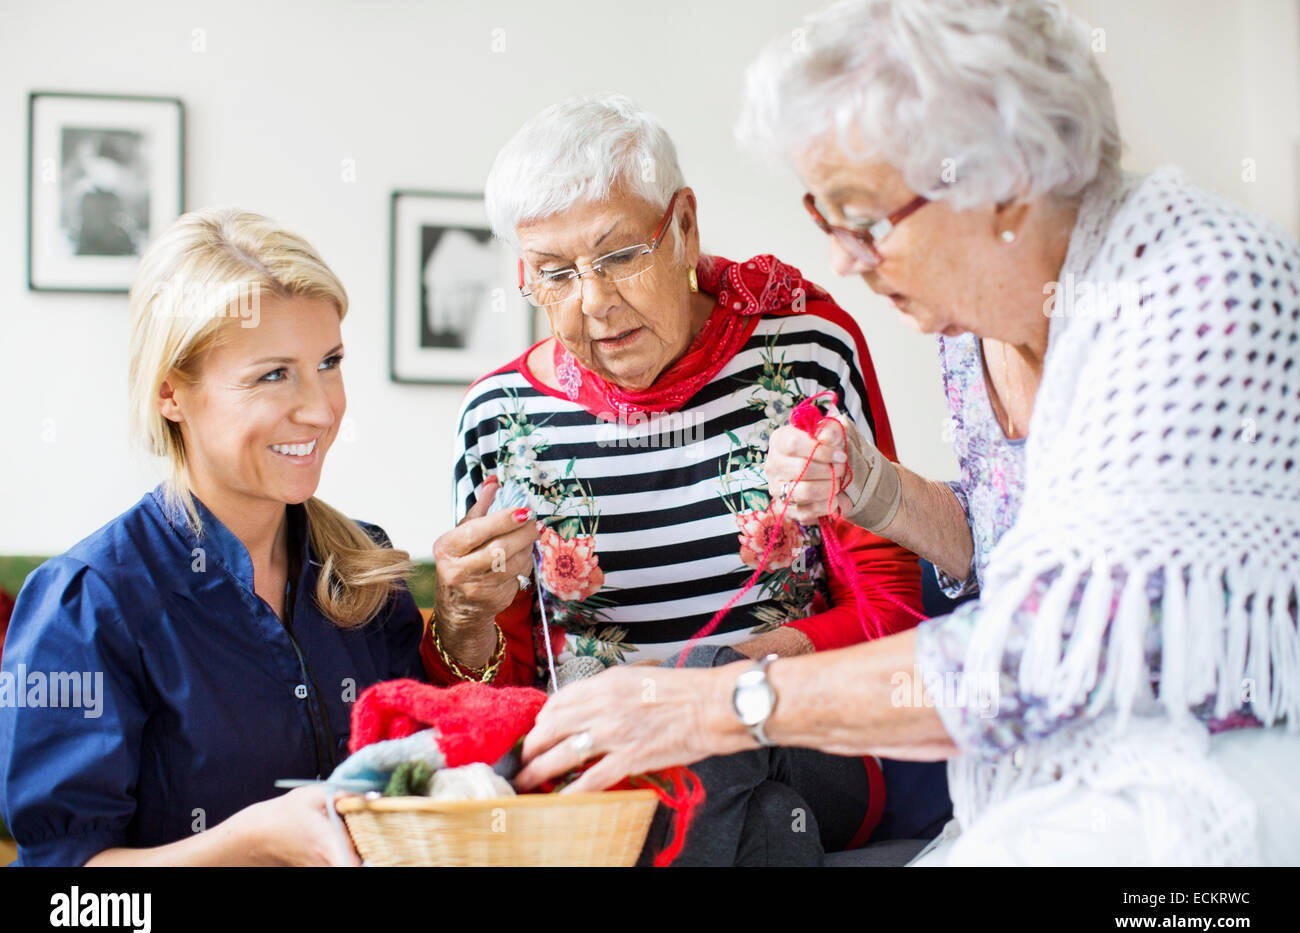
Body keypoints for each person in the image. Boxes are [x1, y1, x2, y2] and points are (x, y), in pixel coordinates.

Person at [516, 0, 1300, 865]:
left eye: (866, 217)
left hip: (1211, 802)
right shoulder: (977, 322)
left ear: (1006, 179)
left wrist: (718, 702)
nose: (845, 259)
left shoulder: (1203, 295)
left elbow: (1052, 655)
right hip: (1047, 790)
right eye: (826, 219)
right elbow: (1009, 543)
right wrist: (877, 489)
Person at [431, 93, 949, 863]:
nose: (595, 302)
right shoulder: (497, 417)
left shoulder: (805, 353)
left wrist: (716, 686)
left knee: (708, 690)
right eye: (555, 273)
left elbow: (893, 610)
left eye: (618, 256)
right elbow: (493, 686)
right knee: (768, 827)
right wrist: (464, 615)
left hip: (806, 735)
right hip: (609, 780)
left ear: (684, 227)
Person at [0, 209, 425, 866]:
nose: (320, 408)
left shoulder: (364, 568)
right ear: (172, 393)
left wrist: (470, 621)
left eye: (329, 362)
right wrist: (252, 842)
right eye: (273, 374)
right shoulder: (88, 604)